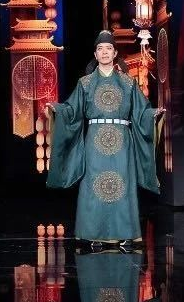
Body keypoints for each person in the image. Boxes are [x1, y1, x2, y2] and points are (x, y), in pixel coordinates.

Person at [46, 31, 163, 246]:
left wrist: (152, 114)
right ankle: (93, 234)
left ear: (115, 53)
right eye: (100, 49)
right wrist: (58, 109)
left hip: (122, 142)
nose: (105, 52)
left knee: (123, 185)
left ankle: (125, 234)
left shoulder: (128, 83)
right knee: (93, 185)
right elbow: (72, 110)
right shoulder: (85, 83)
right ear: (95, 54)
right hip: (95, 142)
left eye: (109, 48)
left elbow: (141, 111)